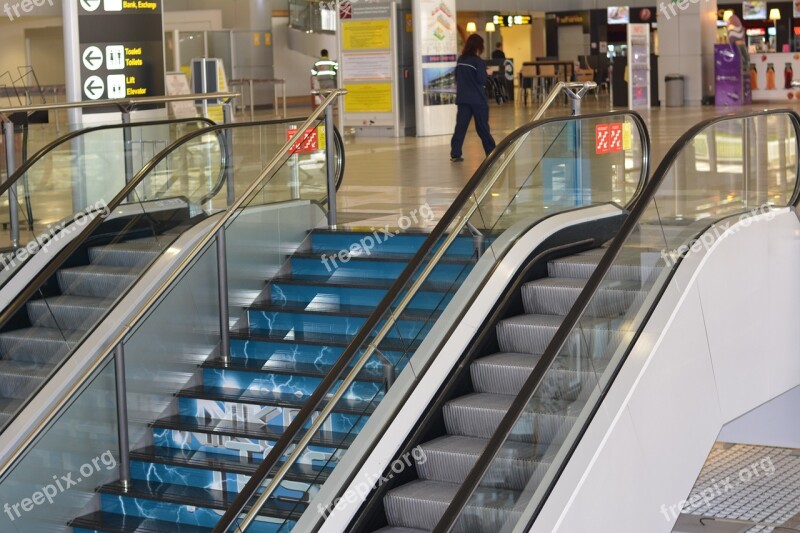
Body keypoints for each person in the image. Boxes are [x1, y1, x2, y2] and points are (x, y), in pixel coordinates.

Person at [450, 34, 496, 162]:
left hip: (463, 99)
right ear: (479, 46)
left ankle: (455, 153)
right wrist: (488, 73)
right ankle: (491, 152)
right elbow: (481, 79)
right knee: (482, 127)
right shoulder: (477, 61)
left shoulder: (461, 60)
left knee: (460, 127)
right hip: (477, 100)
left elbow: (457, 77)